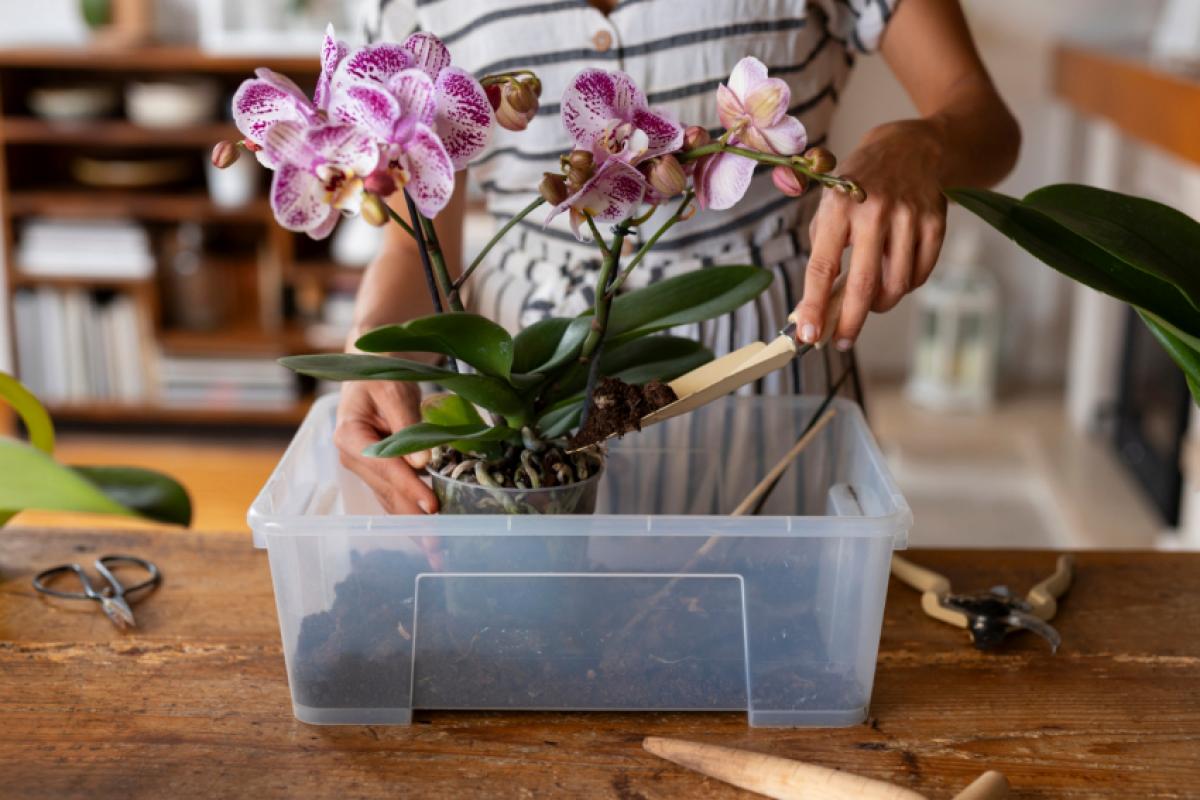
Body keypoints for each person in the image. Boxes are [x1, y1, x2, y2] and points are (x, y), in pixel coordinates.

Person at [338, 0, 1020, 514]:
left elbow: (985, 116)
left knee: (776, 629)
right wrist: (374, 352)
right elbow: (418, 238)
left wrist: (921, 142)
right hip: (521, 393)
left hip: (762, 366)